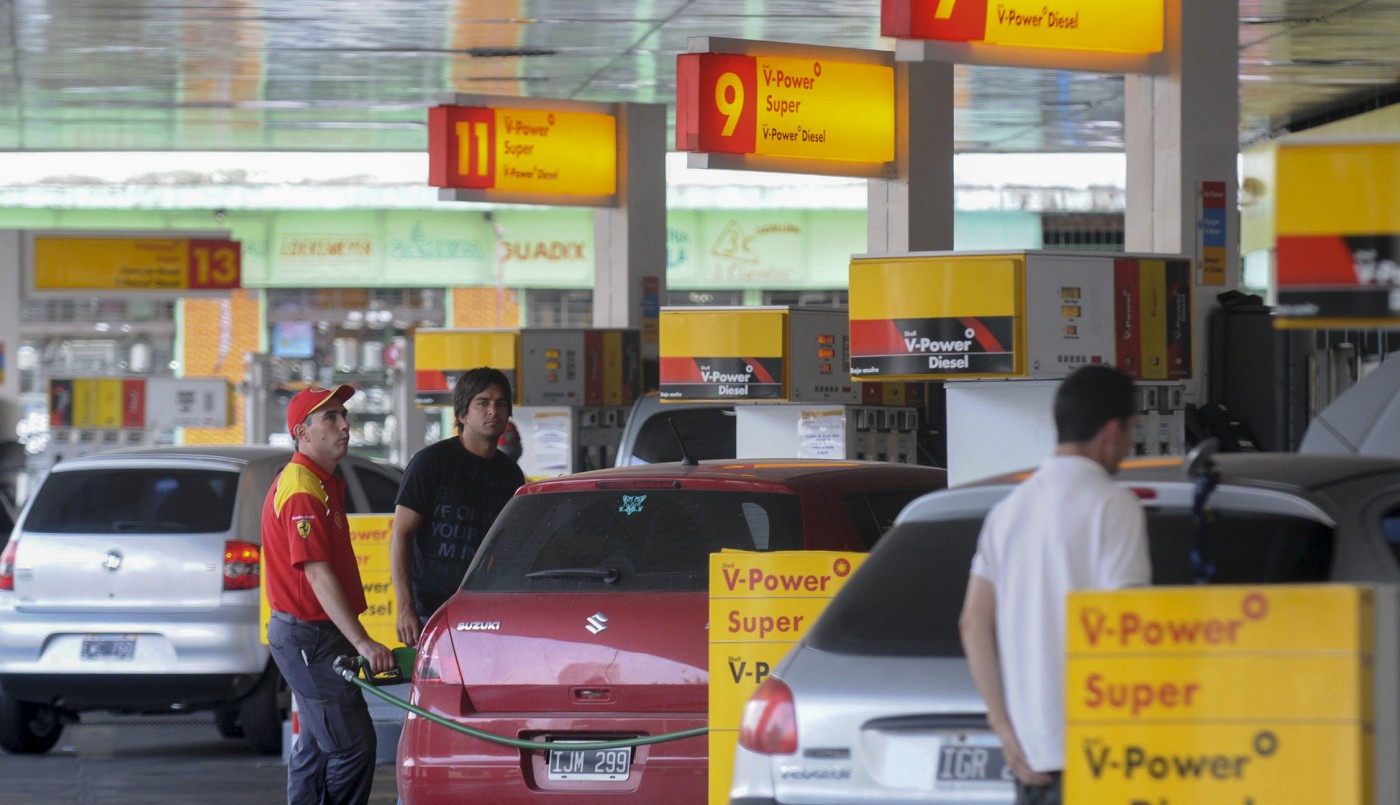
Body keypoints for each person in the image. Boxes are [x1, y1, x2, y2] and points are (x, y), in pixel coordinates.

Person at [958, 364, 1151, 805]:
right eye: (1131, 431)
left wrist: (1005, 730)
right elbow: (1125, 625)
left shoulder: (1007, 511)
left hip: (1028, 753)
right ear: (1111, 431)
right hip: (1096, 754)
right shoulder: (1113, 506)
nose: (1128, 445)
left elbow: (972, 622)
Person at [262, 384, 394, 805]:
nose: (345, 425)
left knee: (318, 745)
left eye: (344, 415)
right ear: (302, 433)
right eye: (331, 418)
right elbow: (317, 575)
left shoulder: (319, 482)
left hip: (311, 635)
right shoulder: (302, 488)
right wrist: (362, 642)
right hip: (309, 638)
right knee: (352, 747)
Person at [391, 367, 526, 647]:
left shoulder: (510, 474)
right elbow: (401, 535)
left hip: (486, 613)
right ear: (463, 414)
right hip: (432, 612)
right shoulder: (431, 462)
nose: (494, 411)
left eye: (501, 403)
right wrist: (405, 608)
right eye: (483, 403)